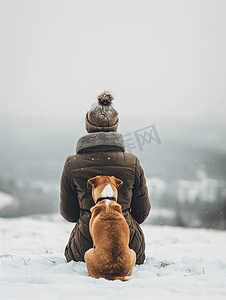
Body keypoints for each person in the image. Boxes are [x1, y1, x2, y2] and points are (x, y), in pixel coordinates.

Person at [60, 91, 151, 265]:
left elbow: (69, 214)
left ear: (88, 126)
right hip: (130, 247)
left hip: (84, 247)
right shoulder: (132, 162)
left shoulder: (72, 163)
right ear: (116, 126)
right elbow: (141, 213)